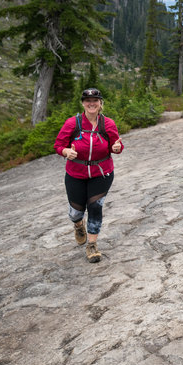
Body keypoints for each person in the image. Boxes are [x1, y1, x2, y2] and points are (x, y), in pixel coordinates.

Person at [54, 88, 123, 263]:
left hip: (102, 173)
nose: (91, 103)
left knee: (95, 207)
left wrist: (117, 149)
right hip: (76, 173)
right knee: (76, 212)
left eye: (95, 100)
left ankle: (92, 245)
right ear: (83, 103)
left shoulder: (108, 124)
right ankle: (78, 225)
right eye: (87, 100)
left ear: (101, 103)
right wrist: (66, 151)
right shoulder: (72, 123)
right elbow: (58, 145)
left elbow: (117, 145)